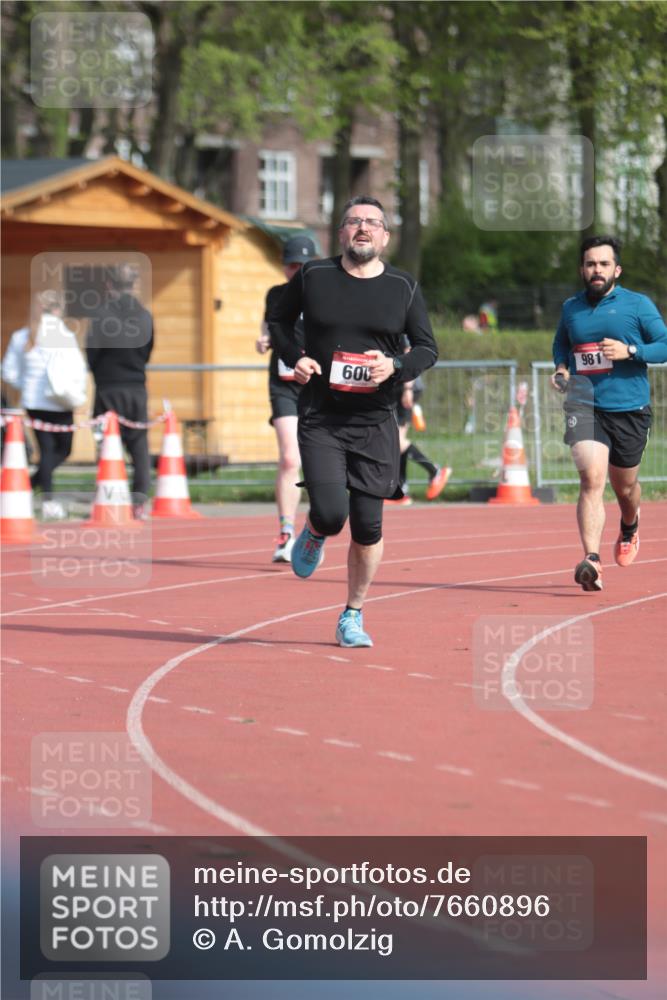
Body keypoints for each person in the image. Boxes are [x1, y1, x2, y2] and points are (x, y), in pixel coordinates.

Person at [268, 196, 438, 647]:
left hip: (376, 420)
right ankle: (316, 530)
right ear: (341, 232)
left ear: (384, 236)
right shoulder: (314, 276)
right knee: (330, 513)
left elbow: (427, 347)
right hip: (322, 417)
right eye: (354, 221)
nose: (363, 228)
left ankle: (352, 614)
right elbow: (279, 322)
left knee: (368, 527)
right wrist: (296, 357)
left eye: (372, 223)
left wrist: (397, 367)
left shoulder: (403, 286)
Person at [551, 235, 667, 591]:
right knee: (591, 478)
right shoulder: (572, 307)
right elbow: (562, 343)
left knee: (625, 487)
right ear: (582, 269)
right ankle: (592, 560)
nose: (596, 270)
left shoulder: (637, 305)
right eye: (590, 264)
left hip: (629, 409)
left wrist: (630, 350)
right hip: (585, 403)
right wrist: (562, 368)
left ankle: (630, 524)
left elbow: (664, 345)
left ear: (616, 269)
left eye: (603, 264)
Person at [257, 235, 318, 562]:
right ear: (284, 267)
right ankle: (286, 532)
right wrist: (263, 339)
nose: (297, 271)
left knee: (319, 462)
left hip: (317, 384)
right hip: (283, 383)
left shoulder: (324, 296)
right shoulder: (276, 295)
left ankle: (315, 532)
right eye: (292, 265)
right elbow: (269, 326)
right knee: (290, 458)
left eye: (303, 266)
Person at [2, 290, 87, 519]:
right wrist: (79, 395)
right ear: (58, 309)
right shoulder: (64, 335)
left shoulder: (22, 336)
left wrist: (25, 383)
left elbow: (8, 372)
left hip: (33, 403)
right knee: (60, 450)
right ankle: (47, 499)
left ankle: (30, 485)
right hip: (60, 402)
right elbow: (78, 369)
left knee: (48, 451)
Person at [86, 264, 154, 520]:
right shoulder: (145, 315)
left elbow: (91, 352)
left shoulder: (100, 315)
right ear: (133, 285)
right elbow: (148, 349)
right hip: (136, 386)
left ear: (109, 285)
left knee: (105, 446)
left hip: (108, 387)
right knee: (139, 446)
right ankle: (138, 502)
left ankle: (108, 498)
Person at [387, 345, 451, 506]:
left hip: (404, 387)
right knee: (398, 441)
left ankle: (434, 471)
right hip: (398, 387)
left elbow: (410, 355)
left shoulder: (398, 324)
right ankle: (401, 489)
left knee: (397, 441)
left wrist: (408, 388)